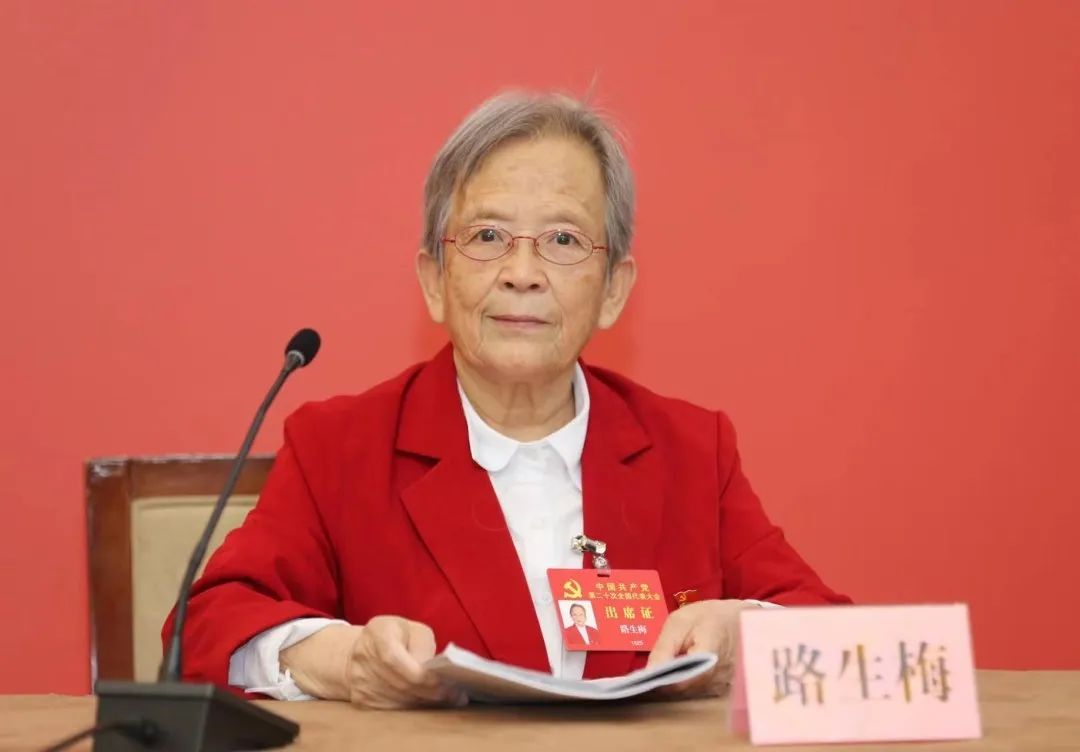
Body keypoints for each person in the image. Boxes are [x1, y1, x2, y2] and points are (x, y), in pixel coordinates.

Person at [164, 90, 849, 710]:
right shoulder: (339, 446)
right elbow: (203, 630)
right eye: (488, 237)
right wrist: (343, 661)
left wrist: (743, 635)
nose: (522, 274)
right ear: (434, 280)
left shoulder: (692, 450)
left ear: (613, 290)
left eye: (563, 240)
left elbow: (837, 638)